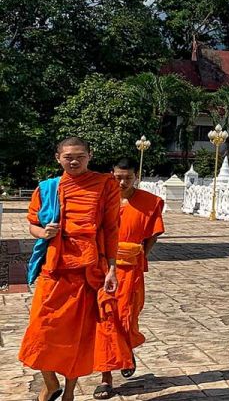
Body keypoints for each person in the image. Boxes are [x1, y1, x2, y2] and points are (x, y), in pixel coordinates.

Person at [18, 137, 120, 401]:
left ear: (90, 155)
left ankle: (70, 393)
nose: (74, 161)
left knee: (77, 338)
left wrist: (111, 268)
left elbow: (110, 229)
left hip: (86, 273)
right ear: (58, 158)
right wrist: (44, 231)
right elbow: (32, 224)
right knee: (40, 331)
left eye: (80, 156)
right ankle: (51, 383)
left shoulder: (104, 184)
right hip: (54, 270)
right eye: (68, 157)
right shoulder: (47, 188)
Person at [92, 158, 166, 399]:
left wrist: (140, 255)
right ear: (110, 174)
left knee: (125, 318)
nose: (122, 182)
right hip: (102, 269)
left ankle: (125, 351)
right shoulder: (101, 201)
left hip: (130, 271)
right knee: (104, 320)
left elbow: (152, 235)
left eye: (127, 177)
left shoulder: (150, 202)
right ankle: (105, 378)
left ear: (136, 176)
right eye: (117, 177)